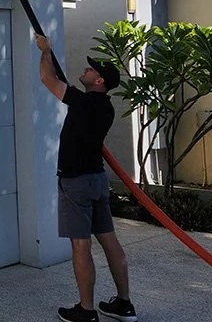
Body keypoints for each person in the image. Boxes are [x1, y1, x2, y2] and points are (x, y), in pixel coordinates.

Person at [35, 33, 138, 322]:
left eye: (91, 70)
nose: (86, 69)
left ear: (99, 81)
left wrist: (45, 51)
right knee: (109, 240)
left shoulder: (83, 102)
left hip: (76, 184)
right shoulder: (103, 107)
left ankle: (87, 310)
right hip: (96, 180)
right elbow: (58, 83)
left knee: (81, 246)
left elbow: (47, 78)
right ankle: (124, 304)